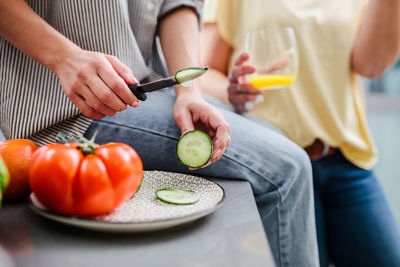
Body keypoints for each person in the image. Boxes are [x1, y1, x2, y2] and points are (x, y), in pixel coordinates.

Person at [0, 0, 319, 266]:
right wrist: (63, 57)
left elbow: (177, 3)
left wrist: (190, 93)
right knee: (287, 167)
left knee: (284, 148)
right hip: (59, 106)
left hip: (144, 91)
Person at [200, 0, 400, 266]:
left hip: (345, 160)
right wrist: (231, 92)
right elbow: (202, 72)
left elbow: (371, 66)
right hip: (278, 170)